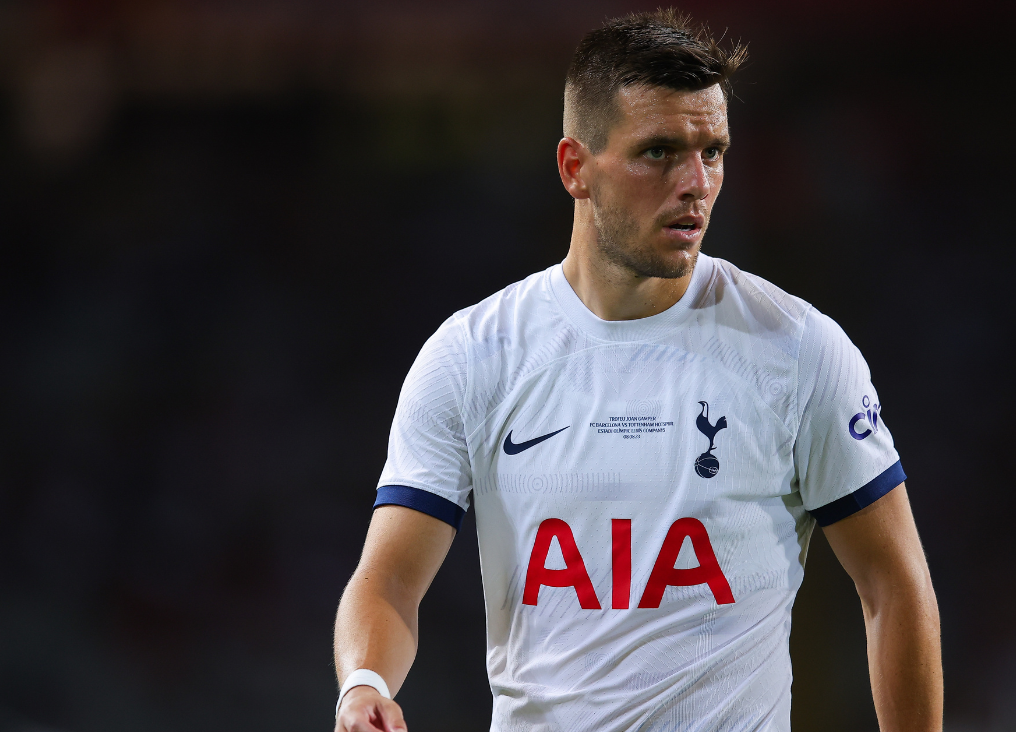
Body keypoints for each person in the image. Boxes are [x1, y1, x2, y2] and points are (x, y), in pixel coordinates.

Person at [332, 9, 942, 732]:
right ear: (575, 168)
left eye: (712, 151)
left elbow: (894, 584)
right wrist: (363, 683)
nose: (696, 183)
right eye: (659, 152)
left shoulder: (799, 350)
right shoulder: (474, 356)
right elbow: (389, 580)